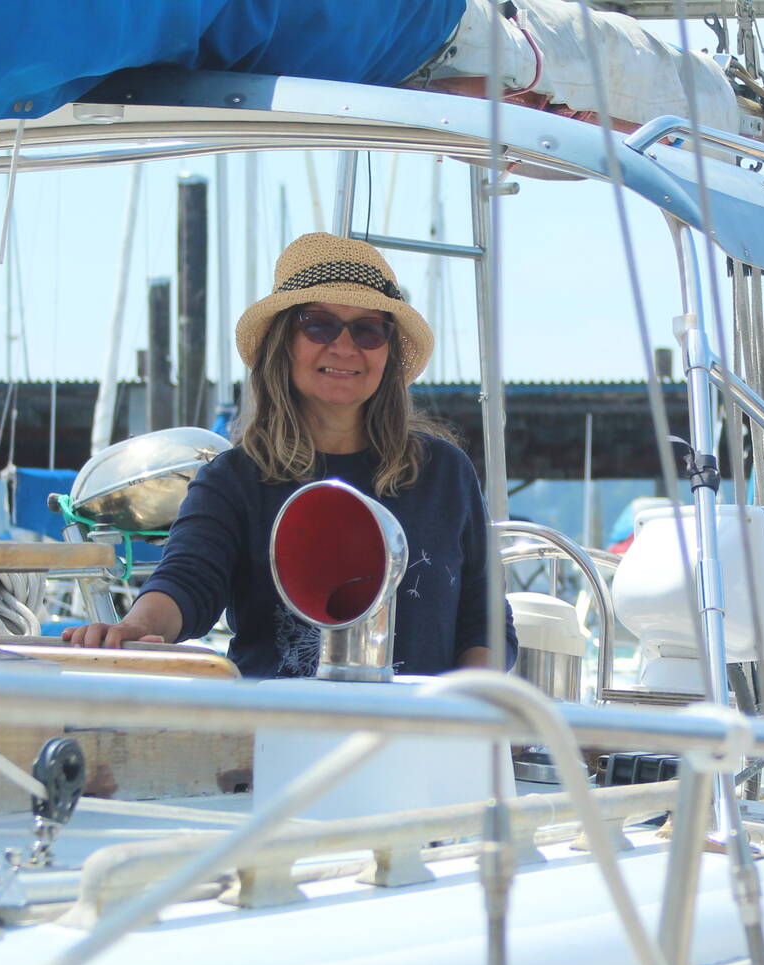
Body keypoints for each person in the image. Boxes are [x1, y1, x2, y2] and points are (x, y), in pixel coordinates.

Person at [64, 233, 512, 678]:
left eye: (368, 330)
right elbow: (187, 581)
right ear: (284, 344)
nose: (343, 346)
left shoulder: (444, 473)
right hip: (279, 731)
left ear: (388, 352)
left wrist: (470, 713)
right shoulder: (233, 480)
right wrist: (134, 628)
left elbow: (486, 621)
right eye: (318, 324)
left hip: (425, 736)